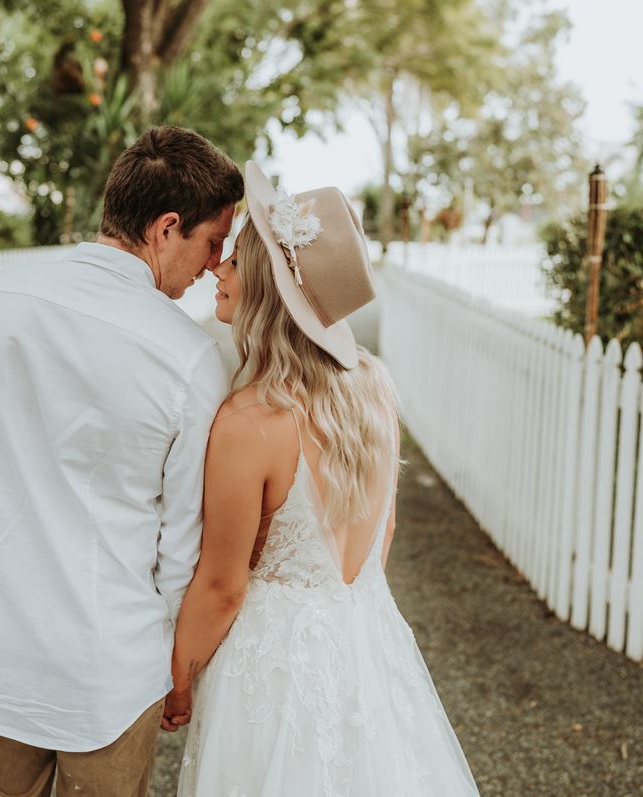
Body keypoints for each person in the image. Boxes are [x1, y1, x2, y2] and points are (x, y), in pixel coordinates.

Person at [0, 126, 242, 797]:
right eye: (213, 241)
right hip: (109, 671)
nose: (214, 264)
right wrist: (176, 670)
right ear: (166, 228)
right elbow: (180, 545)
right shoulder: (188, 358)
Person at [167, 163, 480, 796]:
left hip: (274, 667)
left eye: (236, 260)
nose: (218, 269)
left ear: (266, 288)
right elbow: (381, 533)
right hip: (365, 641)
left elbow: (223, 586)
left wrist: (176, 682)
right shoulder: (374, 389)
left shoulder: (249, 421)